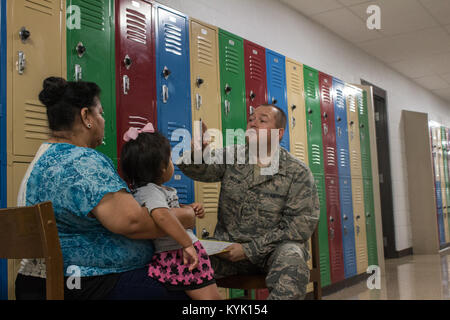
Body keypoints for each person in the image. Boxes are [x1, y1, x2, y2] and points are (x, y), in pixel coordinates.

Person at [15, 77, 195, 300]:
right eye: (100, 113)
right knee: (190, 289)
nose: (103, 120)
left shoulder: (42, 158)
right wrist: (186, 216)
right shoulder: (82, 161)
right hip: (86, 284)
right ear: (86, 117)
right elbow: (134, 222)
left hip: (43, 281)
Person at [177, 104, 320, 300]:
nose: (253, 123)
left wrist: (249, 250)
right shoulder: (232, 155)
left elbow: (299, 226)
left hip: (272, 252)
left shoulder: (297, 172)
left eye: (262, 120)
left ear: (279, 133)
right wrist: (198, 151)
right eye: (251, 119)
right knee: (180, 260)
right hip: (227, 251)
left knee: (292, 259)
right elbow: (196, 170)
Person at [120, 124, 222, 300]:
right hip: (179, 254)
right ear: (162, 167)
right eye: (169, 159)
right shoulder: (150, 191)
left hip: (176, 254)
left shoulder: (152, 191)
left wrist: (188, 208)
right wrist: (187, 244)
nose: (172, 163)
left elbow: (167, 209)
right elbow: (162, 215)